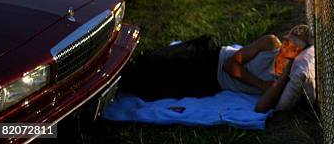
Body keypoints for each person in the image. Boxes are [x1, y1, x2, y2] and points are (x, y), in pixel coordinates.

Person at [121, 24, 313, 113]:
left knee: (152, 87)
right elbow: (231, 64)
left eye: (293, 49)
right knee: (154, 63)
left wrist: (285, 74)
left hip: (211, 81)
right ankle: (117, 66)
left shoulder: (281, 82)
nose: (285, 49)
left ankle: (116, 81)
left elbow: (260, 108)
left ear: (298, 56)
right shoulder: (271, 44)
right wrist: (262, 85)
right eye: (287, 42)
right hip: (212, 57)